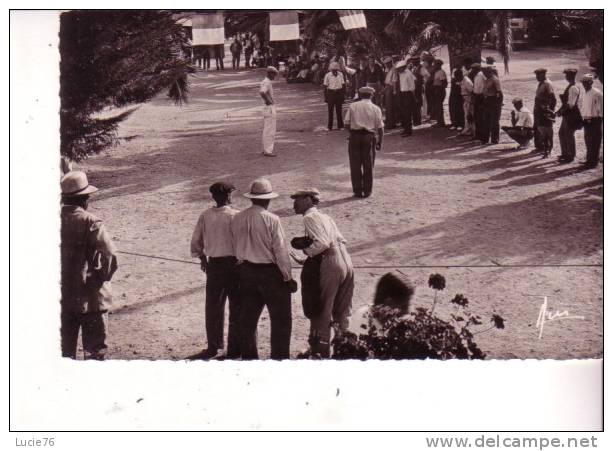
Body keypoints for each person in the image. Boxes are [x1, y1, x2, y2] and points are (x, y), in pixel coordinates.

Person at [231, 178, 298, 360]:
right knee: (281, 320)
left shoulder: (238, 218)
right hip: (271, 274)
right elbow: (280, 250)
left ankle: (250, 357)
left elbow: (235, 245)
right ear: (268, 199)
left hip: (246, 272)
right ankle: (279, 357)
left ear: (251, 198)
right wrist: (287, 277)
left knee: (248, 319)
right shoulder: (272, 219)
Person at [60, 171, 118, 360]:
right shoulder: (91, 222)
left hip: (61, 299)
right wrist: (101, 278)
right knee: (95, 354)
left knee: (62, 355)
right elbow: (109, 256)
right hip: (91, 299)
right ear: (84, 199)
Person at [291, 189, 354, 357]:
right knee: (343, 310)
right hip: (346, 260)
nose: (294, 203)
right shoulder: (326, 217)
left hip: (330, 262)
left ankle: (319, 352)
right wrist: (309, 258)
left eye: (297, 199)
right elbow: (340, 240)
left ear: (308, 200)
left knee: (322, 310)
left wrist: (306, 251)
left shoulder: (309, 217)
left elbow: (323, 243)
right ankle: (345, 350)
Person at [190, 182, 240, 360]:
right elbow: (241, 242)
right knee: (236, 306)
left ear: (213, 197)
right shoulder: (236, 216)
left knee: (213, 307)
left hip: (214, 265)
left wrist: (203, 259)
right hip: (234, 266)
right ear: (228, 196)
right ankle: (235, 347)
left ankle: (214, 346)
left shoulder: (205, 215)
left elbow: (196, 240)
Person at [344, 86, 384, 198]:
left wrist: (351, 133)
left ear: (360, 95)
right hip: (369, 137)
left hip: (355, 137)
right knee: (368, 165)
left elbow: (346, 124)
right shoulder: (376, 108)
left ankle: (357, 191)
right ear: (371, 95)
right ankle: (367, 191)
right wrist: (380, 141)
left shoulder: (353, 106)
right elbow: (380, 128)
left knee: (355, 164)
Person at [555, 68, 582, 163]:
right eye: (566, 75)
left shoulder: (573, 88)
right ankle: (565, 153)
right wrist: (559, 111)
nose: (566, 77)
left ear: (572, 76)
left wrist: (561, 112)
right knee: (562, 133)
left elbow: (570, 104)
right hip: (567, 114)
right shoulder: (570, 86)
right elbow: (565, 103)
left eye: (567, 75)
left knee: (568, 134)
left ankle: (570, 156)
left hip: (572, 115)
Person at [578, 74, 603, 168]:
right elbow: (584, 107)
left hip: (595, 120)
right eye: (583, 83)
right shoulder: (585, 93)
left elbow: (601, 109)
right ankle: (589, 160)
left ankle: (593, 162)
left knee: (595, 141)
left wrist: (598, 120)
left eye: (587, 82)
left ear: (591, 82)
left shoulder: (597, 93)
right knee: (588, 141)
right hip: (586, 120)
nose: (585, 84)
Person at [533, 68, 557, 158]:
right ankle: (539, 147)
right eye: (536, 75)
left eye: (538, 75)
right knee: (538, 128)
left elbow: (553, 99)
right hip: (538, 109)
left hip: (544, 111)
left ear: (543, 74)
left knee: (546, 131)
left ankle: (547, 150)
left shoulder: (547, 84)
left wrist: (550, 111)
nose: (536, 77)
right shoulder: (541, 83)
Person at [259, 66, 279, 157]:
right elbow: (262, 92)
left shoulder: (264, 81)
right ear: (269, 73)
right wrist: (269, 101)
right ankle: (268, 150)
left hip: (266, 108)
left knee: (267, 129)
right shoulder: (267, 82)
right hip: (269, 107)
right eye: (273, 75)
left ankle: (265, 149)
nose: (274, 77)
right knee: (270, 130)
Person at [481, 66, 503, 144]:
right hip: (487, 101)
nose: (485, 75)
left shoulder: (495, 80)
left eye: (486, 73)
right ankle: (485, 139)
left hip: (493, 101)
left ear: (490, 72)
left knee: (494, 121)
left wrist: (498, 104)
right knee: (486, 121)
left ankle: (495, 139)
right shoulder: (487, 79)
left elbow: (499, 93)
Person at [396, 60, 417, 137]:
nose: (398, 70)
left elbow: (412, 86)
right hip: (402, 94)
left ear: (403, 67)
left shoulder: (408, 74)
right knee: (402, 113)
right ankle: (405, 129)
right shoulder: (400, 74)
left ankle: (408, 131)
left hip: (408, 94)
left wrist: (413, 97)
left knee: (407, 113)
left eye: (400, 68)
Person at [323, 62, 346, 130]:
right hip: (331, 93)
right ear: (331, 69)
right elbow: (325, 87)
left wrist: (343, 96)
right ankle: (329, 127)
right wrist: (326, 97)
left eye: (336, 69)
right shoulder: (327, 75)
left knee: (339, 111)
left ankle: (340, 126)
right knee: (330, 111)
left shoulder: (340, 74)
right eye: (333, 69)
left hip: (339, 93)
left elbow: (343, 85)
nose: (335, 70)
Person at [470, 63, 486, 141]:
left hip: (480, 97)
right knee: (476, 117)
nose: (472, 70)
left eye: (473, 69)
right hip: (477, 96)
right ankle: (477, 134)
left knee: (480, 117)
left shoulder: (481, 76)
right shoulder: (476, 76)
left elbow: (482, 89)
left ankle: (481, 135)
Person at [382, 56, 399, 129]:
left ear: (390, 63)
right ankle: (389, 122)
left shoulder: (393, 69)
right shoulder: (388, 70)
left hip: (391, 88)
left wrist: (394, 90)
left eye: (387, 64)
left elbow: (394, 81)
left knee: (390, 107)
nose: (386, 65)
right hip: (387, 87)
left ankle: (391, 123)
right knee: (387, 106)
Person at [431, 59, 448, 127]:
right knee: (437, 106)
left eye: (435, 64)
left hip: (439, 90)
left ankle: (441, 123)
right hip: (436, 89)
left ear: (438, 65)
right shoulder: (436, 72)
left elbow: (444, 83)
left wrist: (439, 90)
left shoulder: (441, 72)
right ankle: (439, 121)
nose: (433, 66)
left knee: (439, 106)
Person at [459, 69, 474, 136]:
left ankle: (469, 130)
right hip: (465, 98)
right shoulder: (462, 80)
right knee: (466, 115)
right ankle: (467, 129)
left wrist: (470, 101)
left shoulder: (467, 81)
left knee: (469, 115)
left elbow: (472, 91)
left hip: (469, 99)